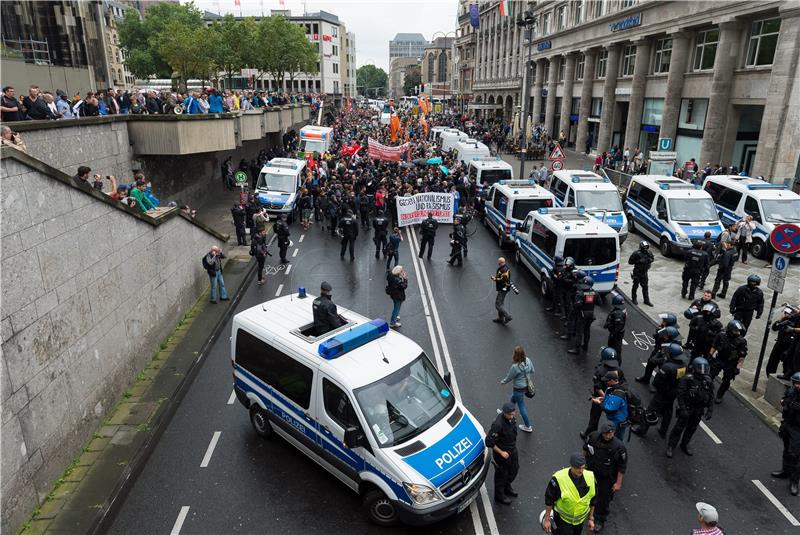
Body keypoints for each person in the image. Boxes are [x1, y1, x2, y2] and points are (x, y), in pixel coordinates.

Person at [632, 343, 687, 438]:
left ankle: (641, 430)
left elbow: (656, 382)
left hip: (663, 393)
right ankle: (663, 430)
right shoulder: (683, 365)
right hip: (673, 393)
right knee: (668, 412)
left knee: (650, 410)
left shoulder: (667, 367)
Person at [582, 422, 626, 533]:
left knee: (603, 499)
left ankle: (599, 520)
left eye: (610, 433)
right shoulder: (593, 437)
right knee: (587, 492)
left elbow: (622, 467)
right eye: (605, 433)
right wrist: (581, 467)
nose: (608, 436)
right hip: (591, 472)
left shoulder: (619, 447)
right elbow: (585, 449)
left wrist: (618, 483)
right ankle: (587, 510)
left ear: (614, 433)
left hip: (607, 477)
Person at [667, 357, 715, 458]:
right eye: (700, 368)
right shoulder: (687, 379)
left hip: (698, 410)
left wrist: (710, 410)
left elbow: (711, 396)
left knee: (692, 428)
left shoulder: (708, 380)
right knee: (678, 428)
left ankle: (684, 444)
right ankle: (671, 446)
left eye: (704, 368)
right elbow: (680, 394)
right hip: (688, 408)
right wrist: (683, 408)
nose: (702, 371)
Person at [543, 453, 596, 535]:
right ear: (571, 466)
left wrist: (591, 518)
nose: (581, 471)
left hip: (580, 522)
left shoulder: (591, 477)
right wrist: (547, 519)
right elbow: (549, 499)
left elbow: (593, 499)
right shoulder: (559, 479)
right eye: (578, 468)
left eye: (583, 467)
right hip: (563, 521)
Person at [581, 347, 625, 439]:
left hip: (600, 398)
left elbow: (597, 387)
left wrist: (605, 398)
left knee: (594, 418)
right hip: (614, 399)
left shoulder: (599, 370)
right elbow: (623, 384)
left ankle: (589, 435)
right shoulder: (618, 370)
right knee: (614, 419)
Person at [485, 402, 520, 505]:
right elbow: (489, 442)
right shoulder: (498, 425)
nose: (512, 416)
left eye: (514, 414)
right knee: (501, 475)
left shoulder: (512, 419)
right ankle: (499, 496)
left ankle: (507, 487)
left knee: (514, 469)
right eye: (510, 414)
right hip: (502, 454)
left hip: (512, 450)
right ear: (504, 413)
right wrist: (501, 452)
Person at [773, 372, 800, 496]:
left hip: (798, 429)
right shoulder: (791, 391)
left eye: (799, 384)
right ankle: (785, 471)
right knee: (786, 449)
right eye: (796, 383)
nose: (797, 386)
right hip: (788, 424)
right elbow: (783, 402)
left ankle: (794, 481)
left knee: (795, 454)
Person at [709, 320, 748, 403]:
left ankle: (720, 395)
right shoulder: (721, 335)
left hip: (731, 363)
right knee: (710, 375)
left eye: (738, 331)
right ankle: (707, 389)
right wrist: (710, 355)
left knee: (726, 381)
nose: (738, 332)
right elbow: (714, 345)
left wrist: (738, 368)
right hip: (719, 359)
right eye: (735, 331)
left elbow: (742, 356)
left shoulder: (741, 341)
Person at [500, 346, 534, 433]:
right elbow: (532, 370)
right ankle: (505, 412)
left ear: (515, 355)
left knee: (521, 406)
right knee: (512, 399)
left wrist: (503, 382)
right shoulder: (528, 360)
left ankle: (528, 426)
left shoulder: (515, 366)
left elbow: (509, 377)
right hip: (526, 386)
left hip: (518, 388)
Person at [593, 371, 628, 441]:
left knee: (616, 440)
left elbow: (610, 409)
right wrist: (604, 399)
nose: (605, 382)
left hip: (618, 422)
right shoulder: (612, 388)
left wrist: (599, 403)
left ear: (612, 380)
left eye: (607, 381)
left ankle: (618, 451)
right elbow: (611, 399)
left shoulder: (618, 394)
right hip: (614, 419)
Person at [568, 275, 597, 354]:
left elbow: (577, 305)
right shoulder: (595, 292)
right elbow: (599, 302)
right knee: (587, 330)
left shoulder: (581, 293)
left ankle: (577, 349)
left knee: (579, 331)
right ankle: (585, 346)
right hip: (591, 314)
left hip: (582, 314)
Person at [628, 241, 654, 306]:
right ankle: (634, 299)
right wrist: (638, 261)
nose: (645, 249)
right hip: (637, 272)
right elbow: (630, 262)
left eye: (646, 247)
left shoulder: (649, 252)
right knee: (635, 286)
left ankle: (646, 300)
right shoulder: (636, 253)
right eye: (644, 247)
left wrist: (650, 260)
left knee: (645, 287)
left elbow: (652, 258)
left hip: (645, 272)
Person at [604, 295, 627, 362]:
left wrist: (613, 334)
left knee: (616, 350)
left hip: (616, 335)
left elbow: (618, 327)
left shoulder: (618, 313)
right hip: (616, 333)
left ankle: (616, 363)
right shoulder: (620, 309)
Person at [491, 257, 513, 324]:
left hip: (503, 289)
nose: (497, 263)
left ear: (500, 263)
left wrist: (495, 279)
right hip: (503, 288)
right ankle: (500, 318)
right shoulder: (503, 268)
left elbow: (504, 280)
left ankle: (508, 316)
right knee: (501, 303)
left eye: (498, 262)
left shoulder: (504, 270)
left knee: (498, 304)